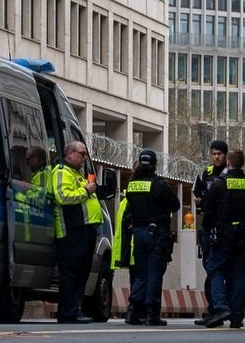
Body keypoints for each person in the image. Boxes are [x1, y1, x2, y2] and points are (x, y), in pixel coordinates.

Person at [112, 149, 180, 326]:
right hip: (156, 234)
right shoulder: (159, 185)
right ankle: (152, 314)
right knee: (155, 274)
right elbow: (175, 205)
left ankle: (133, 311)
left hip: (138, 233)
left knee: (141, 275)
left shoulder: (132, 184)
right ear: (155, 164)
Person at [197, 148, 245, 328]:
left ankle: (220, 307)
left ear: (228, 162)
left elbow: (208, 211)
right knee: (238, 275)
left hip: (222, 236)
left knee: (216, 270)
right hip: (243, 236)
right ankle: (237, 316)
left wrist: (209, 231)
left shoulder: (219, 184)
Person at [48, 139, 103, 324]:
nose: (84, 158)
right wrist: (86, 191)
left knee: (81, 273)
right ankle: (68, 312)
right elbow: (63, 197)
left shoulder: (78, 174)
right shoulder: (62, 172)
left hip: (85, 230)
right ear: (69, 154)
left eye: (85, 154)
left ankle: (74, 309)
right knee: (71, 273)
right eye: (81, 154)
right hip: (71, 231)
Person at [193, 138, 229, 323]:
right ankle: (214, 310)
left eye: (219, 154)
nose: (216, 157)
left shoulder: (229, 174)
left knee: (218, 270)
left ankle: (221, 308)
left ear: (225, 155)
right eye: (213, 154)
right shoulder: (205, 172)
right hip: (208, 225)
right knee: (210, 268)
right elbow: (197, 192)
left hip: (222, 227)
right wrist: (199, 200)